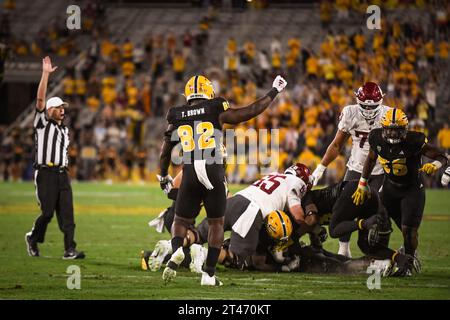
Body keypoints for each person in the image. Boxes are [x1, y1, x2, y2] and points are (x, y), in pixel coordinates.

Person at [158, 74, 287, 286]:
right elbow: (249, 112)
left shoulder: (176, 114)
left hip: (189, 171)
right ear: (208, 92)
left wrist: (164, 175)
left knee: (180, 221)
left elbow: (165, 152)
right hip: (213, 169)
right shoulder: (215, 107)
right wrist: (274, 91)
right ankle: (208, 275)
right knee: (216, 222)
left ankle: (177, 249)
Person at [352, 108, 448, 275]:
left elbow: (442, 157)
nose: (393, 134)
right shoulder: (376, 137)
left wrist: (435, 165)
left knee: (408, 230)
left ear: (405, 129)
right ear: (383, 128)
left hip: (411, 190)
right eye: (390, 129)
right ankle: (383, 258)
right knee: (378, 222)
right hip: (389, 187)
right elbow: (370, 159)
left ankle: (408, 262)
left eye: (397, 131)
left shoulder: (414, 140)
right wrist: (362, 183)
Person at [311, 82, 392, 258]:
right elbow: (337, 144)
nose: (368, 111)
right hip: (356, 167)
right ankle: (344, 249)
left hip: (380, 170)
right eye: (364, 106)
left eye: (372, 106)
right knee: (345, 207)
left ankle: (375, 250)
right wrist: (321, 167)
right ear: (357, 101)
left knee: (378, 211)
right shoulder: (350, 112)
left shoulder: (389, 115)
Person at [25, 56, 85, 260]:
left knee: (68, 216)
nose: (62, 110)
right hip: (45, 173)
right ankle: (33, 238)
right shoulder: (42, 124)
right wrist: (45, 74)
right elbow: (40, 100)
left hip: (62, 174)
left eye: (63, 108)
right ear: (49, 110)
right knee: (47, 213)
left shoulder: (65, 131)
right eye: (58, 108)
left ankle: (70, 250)